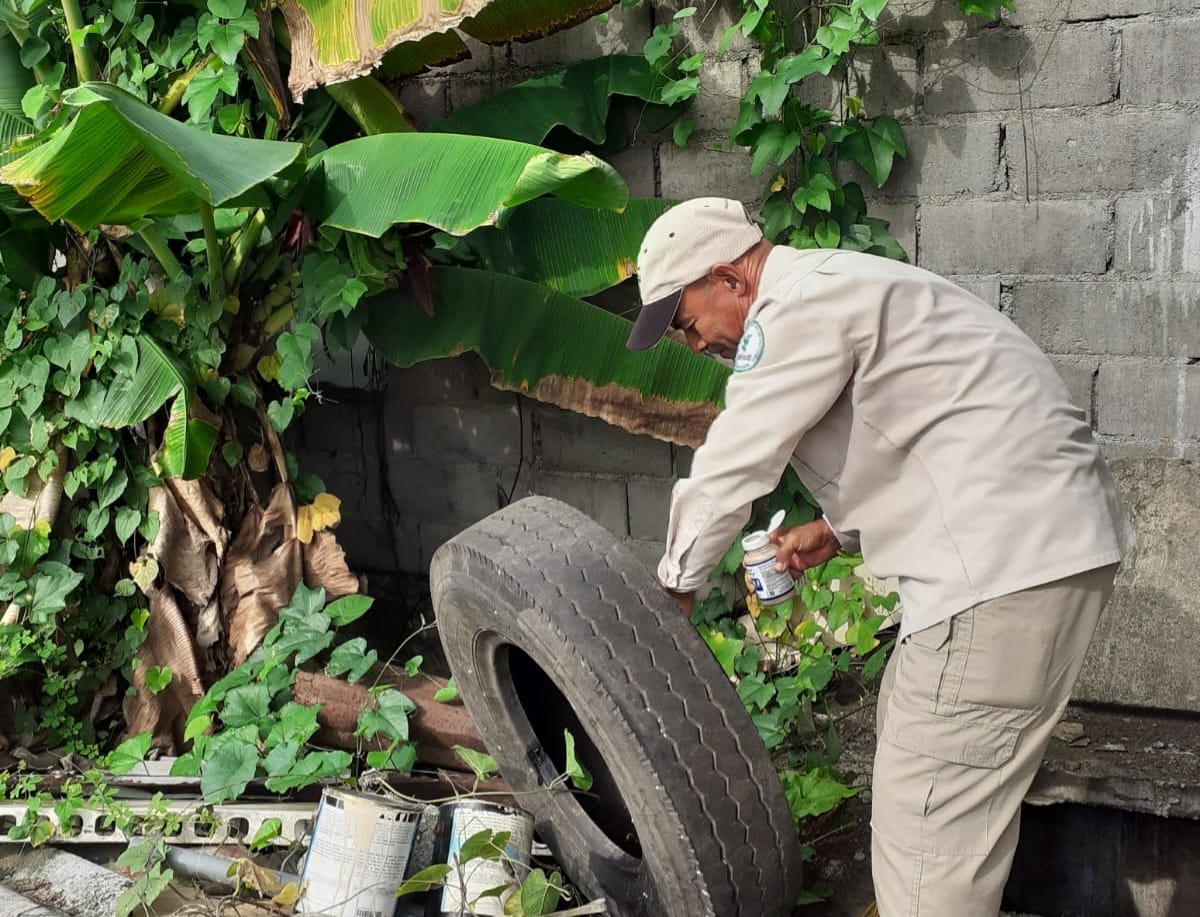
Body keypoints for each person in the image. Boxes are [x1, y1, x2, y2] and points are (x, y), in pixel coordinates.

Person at [625, 197, 1134, 917]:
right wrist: (836, 529)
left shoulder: (792, 310)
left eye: (684, 321)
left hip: (996, 569)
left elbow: (734, 460)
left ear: (728, 278)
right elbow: (932, 417)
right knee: (914, 739)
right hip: (1040, 548)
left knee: (928, 835)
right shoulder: (842, 283)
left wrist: (673, 588)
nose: (691, 343)